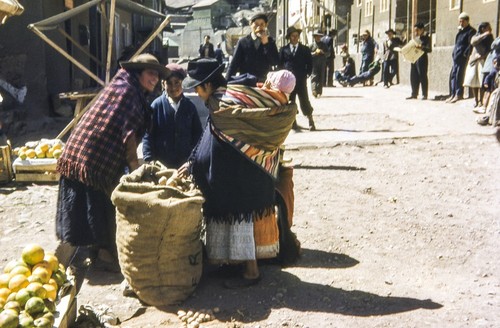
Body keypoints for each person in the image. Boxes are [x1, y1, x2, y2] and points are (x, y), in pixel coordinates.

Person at [180, 58, 296, 289]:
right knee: (235, 221)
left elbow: (229, 139)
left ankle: (251, 272)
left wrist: (196, 165)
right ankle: (232, 263)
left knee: (241, 221)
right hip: (242, 173)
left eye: (197, 87)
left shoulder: (222, 102)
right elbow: (211, 136)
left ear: (207, 85)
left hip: (242, 175)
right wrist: (193, 162)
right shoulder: (230, 94)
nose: (196, 91)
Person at [55, 54, 170, 269]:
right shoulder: (126, 91)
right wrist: (135, 169)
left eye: (156, 75)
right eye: (150, 73)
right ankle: (104, 252)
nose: (154, 79)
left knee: (101, 200)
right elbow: (127, 135)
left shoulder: (129, 88)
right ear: (138, 73)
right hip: (91, 156)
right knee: (105, 200)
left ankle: (100, 249)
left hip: (94, 153)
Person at [142, 63, 203, 169]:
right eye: (169, 83)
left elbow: (198, 136)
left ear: (183, 84)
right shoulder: (156, 106)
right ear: (163, 84)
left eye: (177, 83)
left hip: (184, 166)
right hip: (161, 166)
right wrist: (149, 159)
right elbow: (148, 136)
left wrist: (193, 160)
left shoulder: (190, 108)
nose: (173, 87)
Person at [279, 26, 316, 131]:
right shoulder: (283, 50)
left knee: (304, 100)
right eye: (292, 36)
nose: (295, 38)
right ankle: (293, 122)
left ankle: (310, 120)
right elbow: (280, 65)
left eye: (296, 36)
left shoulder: (305, 49)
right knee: (290, 101)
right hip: (288, 82)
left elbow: (310, 63)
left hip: (301, 80)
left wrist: (307, 74)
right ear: (289, 37)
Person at [226, 12, 279, 83]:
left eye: (262, 24)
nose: (259, 27)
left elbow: (274, 62)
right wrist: (226, 82)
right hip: (246, 82)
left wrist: (266, 44)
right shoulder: (243, 42)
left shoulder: (270, 41)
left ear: (266, 25)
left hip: (264, 83)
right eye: (256, 24)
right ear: (250, 24)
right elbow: (234, 65)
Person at [447, 12, 476, 103]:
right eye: (459, 21)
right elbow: (457, 44)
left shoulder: (471, 31)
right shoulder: (460, 32)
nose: (461, 23)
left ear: (467, 21)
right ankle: (453, 93)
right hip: (456, 56)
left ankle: (459, 94)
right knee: (453, 75)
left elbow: (470, 44)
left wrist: (465, 54)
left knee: (459, 75)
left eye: (462, 21)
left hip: (462, 57)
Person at [463, 22, 494, 108]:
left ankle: (481, 101)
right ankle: (476, 100)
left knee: (481, 82)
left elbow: (490, 49)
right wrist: (483, 35)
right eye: (488, 27)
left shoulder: (490, 38)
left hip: (483, 61)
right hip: (474, 61)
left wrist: (483, 56)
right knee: (473, 82)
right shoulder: (476, 36)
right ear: (483, 29)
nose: (490, 29)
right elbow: (473, 42)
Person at [407, 22, 431, 100]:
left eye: (417, 30)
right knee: (413, 76)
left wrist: (421, 47)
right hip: (414, 59)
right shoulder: (415, 39)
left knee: (422, 76)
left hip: (422, 59)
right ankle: (414, 93)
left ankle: (425, 94)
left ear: (422, 30)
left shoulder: (427, 38)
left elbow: (429, 49)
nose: (416, 32)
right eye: (414, 31)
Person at [309, 30, 328, 98]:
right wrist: (314, 53)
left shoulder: (324, 45)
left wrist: (323, 52)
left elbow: (328, 53)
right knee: (314, 76)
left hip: (322, 63)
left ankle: (319, 91)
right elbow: (308, 54)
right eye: (316, 36)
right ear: (314, 37)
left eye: (319, 36)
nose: (318, 38)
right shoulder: (311, 45)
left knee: (321, 77)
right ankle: (314, 90)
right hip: (314, 63)